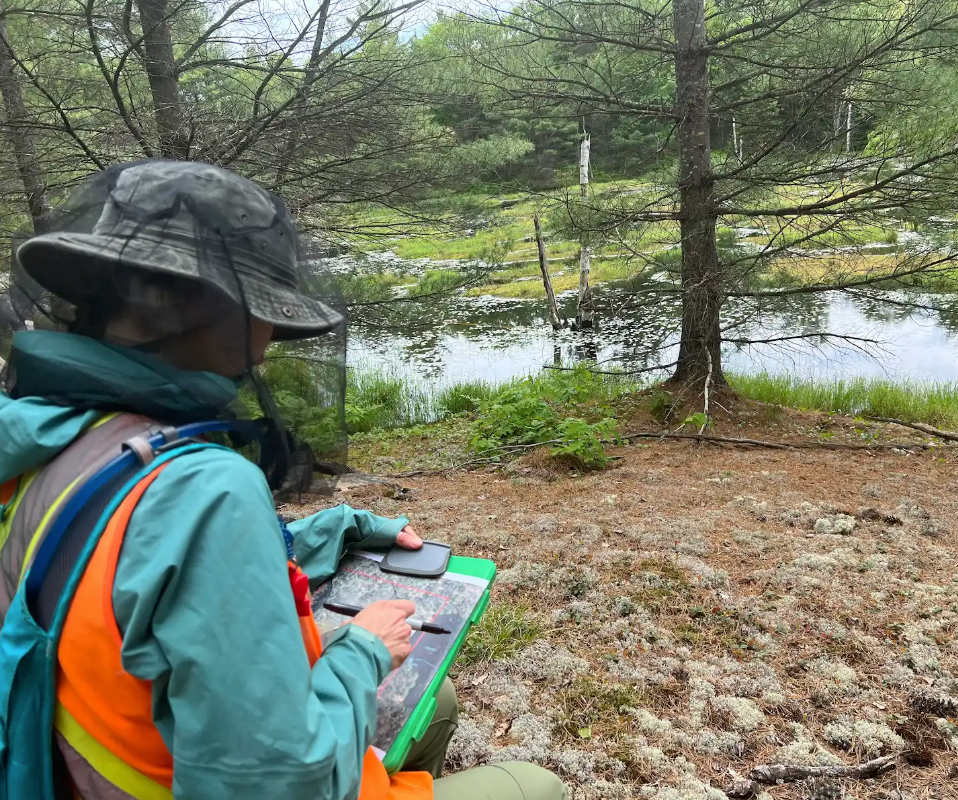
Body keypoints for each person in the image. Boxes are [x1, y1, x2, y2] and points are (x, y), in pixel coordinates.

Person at [0, 160, 566, 800]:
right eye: (262, 311)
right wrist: (364, 651)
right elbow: (277, 787)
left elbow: (128, 558)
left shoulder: (56, 435)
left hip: (77, 763)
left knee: (438, 703)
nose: (267, 341)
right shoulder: (205, 491)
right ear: (199, 306)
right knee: (534, 784)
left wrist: (335, 530)